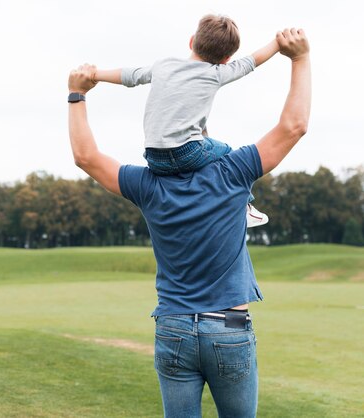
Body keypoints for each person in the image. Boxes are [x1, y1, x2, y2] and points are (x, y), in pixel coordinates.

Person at [67, 27, 310, 418]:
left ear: (191, 45)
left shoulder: (147, 185)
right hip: (229, 325)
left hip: (173, 325)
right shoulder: (233, 172)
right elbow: (293, 126)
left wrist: (77, 94)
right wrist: (299, 58)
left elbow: (86, 156)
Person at [92, 14, 280, 227]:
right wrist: (277, 43)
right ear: (226, 59)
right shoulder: (217, 73)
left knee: (203, 133)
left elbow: (130, 76)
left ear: (192, 41)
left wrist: (95, 74)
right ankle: (245, 207)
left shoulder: (164, 65)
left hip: (154, 157)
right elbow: (251, 62)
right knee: (227, 151)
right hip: (187, 153)